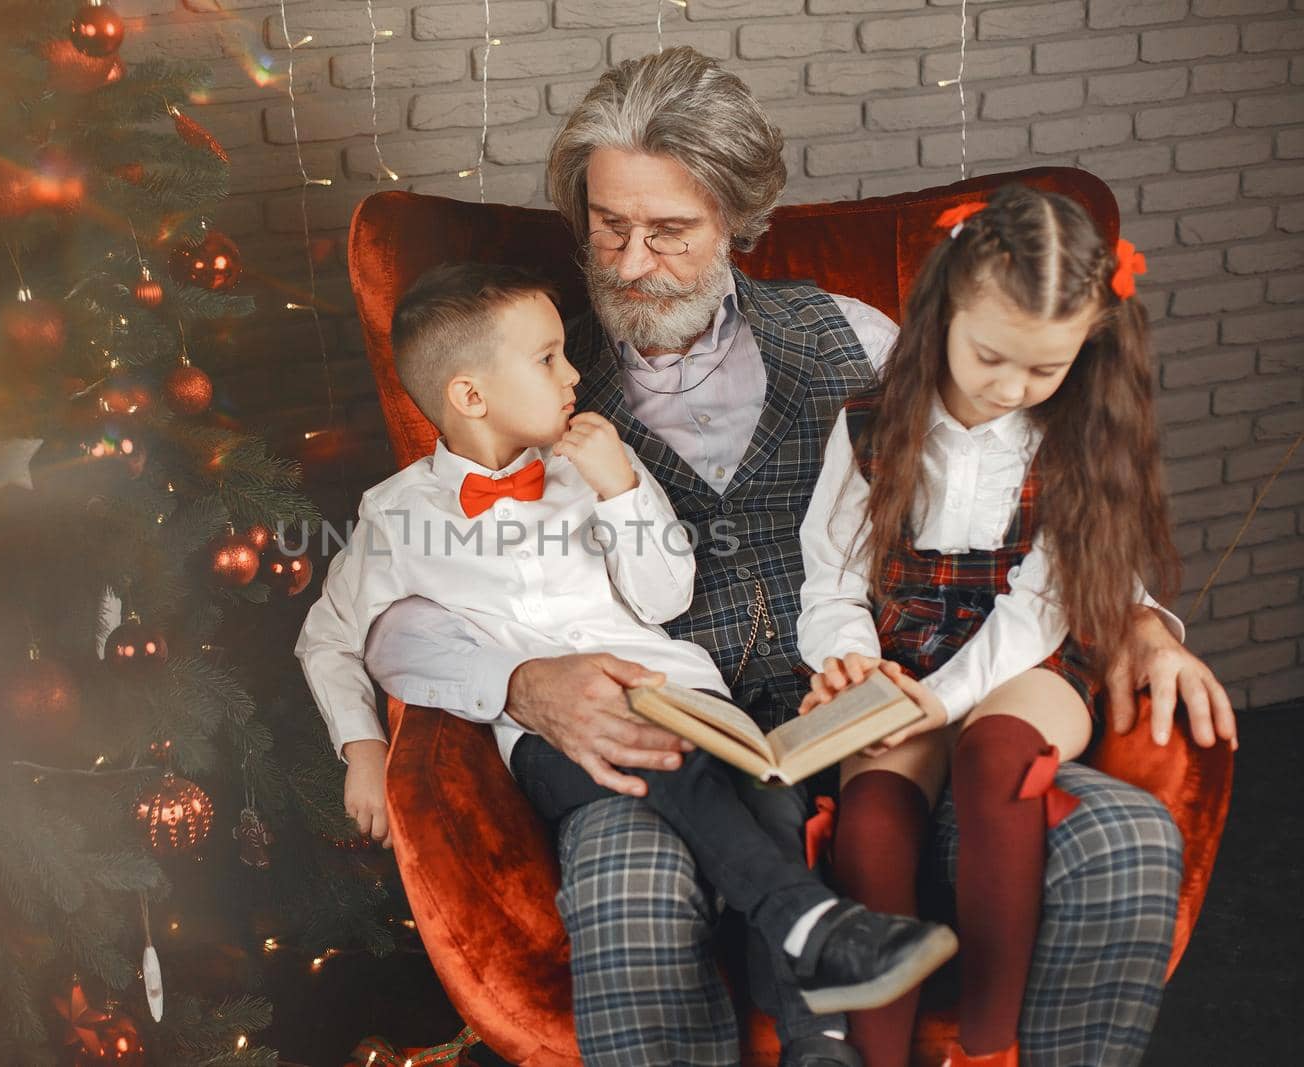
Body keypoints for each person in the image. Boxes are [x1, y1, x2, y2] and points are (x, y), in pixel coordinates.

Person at [362, 47, 1236, 1067]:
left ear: (736, 219)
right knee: (623, 887)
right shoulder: (520, 382)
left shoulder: (854, 341)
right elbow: (410, 582)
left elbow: (1009, 490)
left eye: (672, 232)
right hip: (661, 757)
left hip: (883, 724)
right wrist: (518, 678)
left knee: (1122, 842)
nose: (633, 262)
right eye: (609, 227)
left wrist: (1134, 617)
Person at [296, 261, 957, 1030]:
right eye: (547, 359)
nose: (575, 371)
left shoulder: (595, 462)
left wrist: (620, 490)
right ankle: (811, 921)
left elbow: (664, 594)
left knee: (771, 800)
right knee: (668, 762)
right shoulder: (395, 513)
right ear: (470, 395)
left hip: (683, 692)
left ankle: (819, 1041)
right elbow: (327, 638)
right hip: (555, 738)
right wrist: (363, 749)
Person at [796, 184, 1237, 1067]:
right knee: (874, 817)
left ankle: (988, 1048)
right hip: (906, 652)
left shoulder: (1076, 435)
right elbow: (833, 575)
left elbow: (1043, 604)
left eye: (1045, 367)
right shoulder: (870, 426)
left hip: (1035, 653)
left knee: (998, 756)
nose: (1010, 388)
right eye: (990, 356)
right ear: (943, 316)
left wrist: (946, 699)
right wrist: (849, 661)